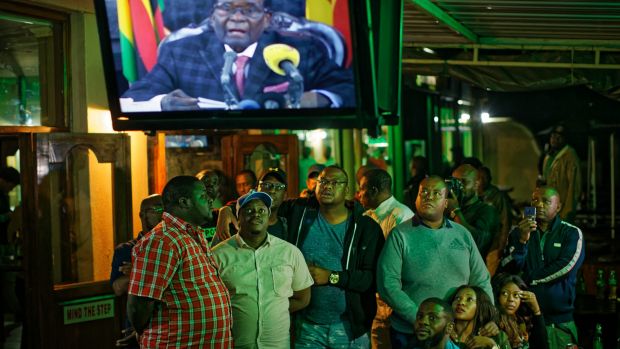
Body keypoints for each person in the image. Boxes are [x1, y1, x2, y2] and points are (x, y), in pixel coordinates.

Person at [122, 0, 355, 110]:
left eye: (249, 9)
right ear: (213, 17)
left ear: (266, 20)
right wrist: (163, 103)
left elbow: (350, 89)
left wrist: (316, 99)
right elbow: (134, 98)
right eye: (227, 8)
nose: (237, 17)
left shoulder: (301, 51)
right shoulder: (180, 52)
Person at [377, 176, 493, 349]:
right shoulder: (400, 234)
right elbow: (387, 284)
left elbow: (481, 279)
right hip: (411, 333)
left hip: (454, 332)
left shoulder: (461, 234)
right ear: (416, 198)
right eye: (423, 192)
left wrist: (488, 317)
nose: (428, 197)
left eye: (436, 193)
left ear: (446, 203)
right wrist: (420, 318)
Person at [277, 165, 385, 347]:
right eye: (323, 181)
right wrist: (226, 210)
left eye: (335, 183)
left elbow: (371, 279)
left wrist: (332, 277)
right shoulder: (300, 212)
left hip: (349, 328)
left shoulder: (366, 227)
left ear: (347, 190)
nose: (327, 186)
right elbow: (265, 204)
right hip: (306, 326)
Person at [127, 176, 233, 347]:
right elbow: (138, 308)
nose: (210, 199)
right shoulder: (163, 240)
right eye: (203, 195)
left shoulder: (192, 234)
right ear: (184, 202)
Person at [212, 191, 313, 348]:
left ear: (268, 216)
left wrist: (273, 310)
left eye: (261, 210)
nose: (256, 215)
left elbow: (303, 298)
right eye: (249, 210)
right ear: (238, 217)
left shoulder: (289, 252)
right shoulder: (218, 255)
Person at [500, 186, 584, 348]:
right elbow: (509, 268)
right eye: (535, 200)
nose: (539, 205)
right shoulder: (519, 232)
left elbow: (566, 267)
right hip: (524, 321)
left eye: (546, 201)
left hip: (558, 322)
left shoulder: (571, 233)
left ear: (558, 207)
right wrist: (522, 241)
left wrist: (529, 279)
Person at [358, 168, 414, 348]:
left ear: (373, 190)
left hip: (392, 300)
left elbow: (402, 264)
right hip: (375, 300)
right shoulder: (367, 215)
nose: (358, 194)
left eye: (361, 189)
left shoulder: (400, 216)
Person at [110, 194, 163, 347]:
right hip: (138, 325)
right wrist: (143, 273)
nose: (163, 213)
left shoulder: (170, 243)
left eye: (165, 209)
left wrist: (137, 272)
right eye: (157, 209)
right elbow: (118, 288)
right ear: (142, 215)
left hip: (167, 324)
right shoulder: (126, 249)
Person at [447, 164, 500, 261]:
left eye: (463, 182)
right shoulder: (447, 209)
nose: (459, 187)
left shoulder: (487, 211)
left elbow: (477, 241)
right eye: (455, 182)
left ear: (476, 184)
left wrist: (456, 212)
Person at [492, 273, 548, 349]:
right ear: (497, 296)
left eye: (516, 295)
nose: (511, 299)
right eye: (505, 293)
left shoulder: (522, 321)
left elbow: (542, 346)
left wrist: (536, 310)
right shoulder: (492, 323)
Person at [541, 124, 582, 223]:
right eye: (552, 136)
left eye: (558, 137)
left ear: (565, 139)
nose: (554, 139)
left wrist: (568, 211)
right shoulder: (549, 157)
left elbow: (575, 187)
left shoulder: (570, 156)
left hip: (563, 209)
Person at [477, 166, 514, 276]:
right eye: (479, 178)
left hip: (493, 246)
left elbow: (505, 221)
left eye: (485, 177)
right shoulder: (471, 195)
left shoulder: (497, 196)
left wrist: (501, 245)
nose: (482, 180)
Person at [0, 167, 19, 245]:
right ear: (3, 181)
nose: (11, 189)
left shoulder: (3, 195)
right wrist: (7, 216)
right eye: (11, 186)